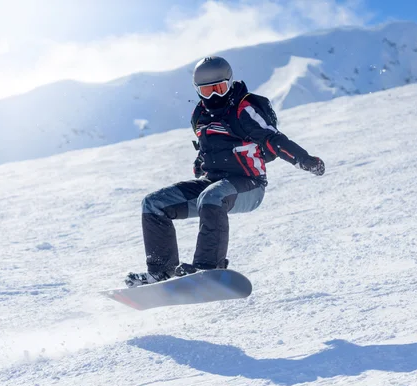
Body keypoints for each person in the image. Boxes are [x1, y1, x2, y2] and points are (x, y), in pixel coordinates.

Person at [125, 56, 325, 287]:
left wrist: (305, 160)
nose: (214, 97)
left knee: (212, 196)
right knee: (154, 203)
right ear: (198, 91)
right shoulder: (199, 115)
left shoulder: (243, 108)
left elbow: (272, 139)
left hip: (248, 184)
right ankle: (161, 271)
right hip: (213, 182)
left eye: (219, 89)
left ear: (230, 83)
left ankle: (208, 267)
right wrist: (201, 161)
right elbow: (210, 145)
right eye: (207, 91)